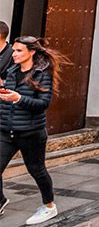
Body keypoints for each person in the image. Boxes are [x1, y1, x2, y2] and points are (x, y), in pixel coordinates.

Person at [0, 36, 64, 225]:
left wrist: (18, 98)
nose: (14, 54)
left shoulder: (42, 74)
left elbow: (43, 104)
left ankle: (49, 206)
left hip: (30, 132)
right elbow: (9, 99)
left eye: (19, 51)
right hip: (6, 130)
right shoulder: (11, 72)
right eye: (14, 50)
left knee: (37, 170)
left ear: (32, 52)